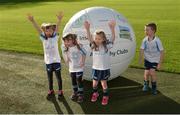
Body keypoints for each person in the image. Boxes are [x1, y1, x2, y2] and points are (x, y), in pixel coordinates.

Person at [27, 12, 64, 99]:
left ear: (53, 31)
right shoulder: (43, 38)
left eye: (50, 30)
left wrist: (59, 20)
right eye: (46, 31)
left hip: (56, 61)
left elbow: (57, 29)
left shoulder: (55, 37)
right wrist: (33, 21)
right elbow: (38, 30)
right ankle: (51, 90)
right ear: (45, 31)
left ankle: (60, 90)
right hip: (48, 62)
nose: (48, 32)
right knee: (50, 78)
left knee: (59, 77)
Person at [84, 20, 116, 105]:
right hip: (96, 68)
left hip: (104, 69)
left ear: (103, 39)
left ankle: (105, 96)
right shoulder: (94, 46)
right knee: (94, 84)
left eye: (99, 39)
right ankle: (95, 93)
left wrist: (112, 28)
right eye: (96, 38)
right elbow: (90, 39)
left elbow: (113, 38)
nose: (97, 40)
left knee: (104, 84)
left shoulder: (106, 46)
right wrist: (87, 29)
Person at [139, 22, 164, 95]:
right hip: (147, 60)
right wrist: (141, 58)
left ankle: (154, 87)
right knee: (146, 73)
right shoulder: (144, 40)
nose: (145, 31)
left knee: (152, 73)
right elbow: (141, 49)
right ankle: (146, 84)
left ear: (153, 31)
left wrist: (160, 63)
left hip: (155, 60)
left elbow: (162, 52)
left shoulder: (157, 41)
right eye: (145, 30)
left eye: (147, 30)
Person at [62, 33, 86, 103]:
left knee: (79, 79)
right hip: (72, 68)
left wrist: (83, 61)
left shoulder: (78, 46)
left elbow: (84, 53)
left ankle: (80, 94)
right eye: (65, 41)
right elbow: (67, 55)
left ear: (73, 40)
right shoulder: (66, 47)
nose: (67, 42)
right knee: (73, 80)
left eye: (68, 40)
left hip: (79, 67)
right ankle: (75, 92)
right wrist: (67, 59)